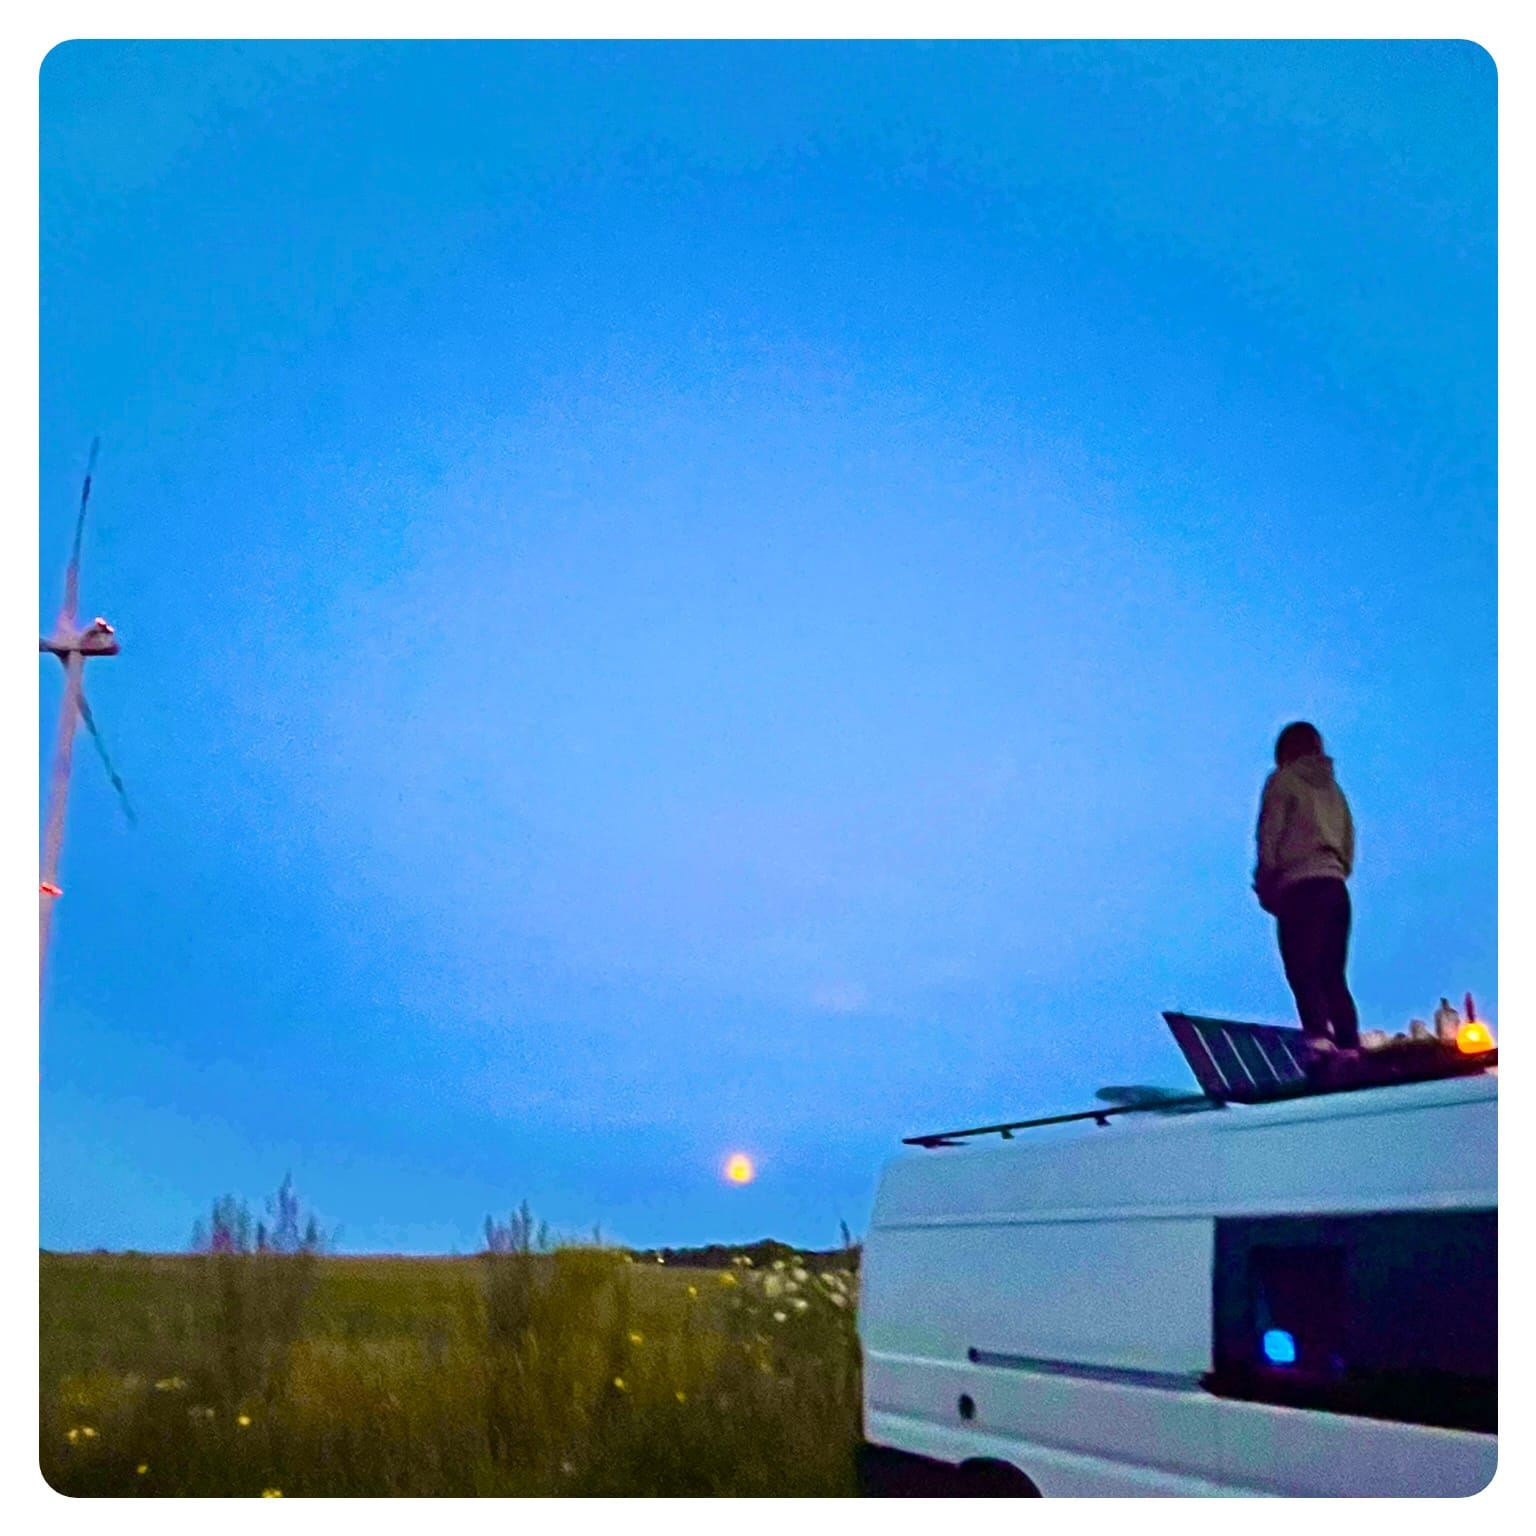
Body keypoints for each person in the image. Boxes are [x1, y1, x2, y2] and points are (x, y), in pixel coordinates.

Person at [1253, 721, 1360, 1054]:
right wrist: (1336, 869)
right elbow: (1349, 842)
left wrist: (1266, 882)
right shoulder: (1334, 790)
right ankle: (1349, 1045)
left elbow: (1269, 835)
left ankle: (1319, 1040)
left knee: (1301, 968)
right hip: (1335, 888)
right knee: (1333, 974)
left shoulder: (1282, 780)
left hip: (1298, 888)